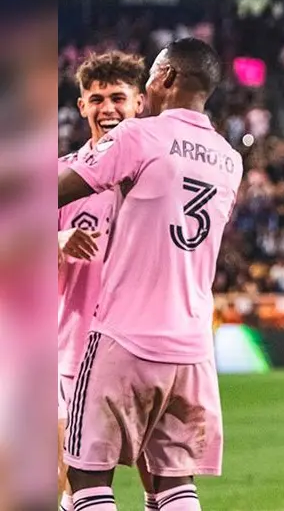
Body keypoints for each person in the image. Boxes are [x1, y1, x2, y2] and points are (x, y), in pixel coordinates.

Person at [57, 38, 243, 511]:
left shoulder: (139, 137)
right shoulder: (229, 158)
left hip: (125, 335)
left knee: (86, 478)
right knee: (173, 486)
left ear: (166, 79)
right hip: (193, 349)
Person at [57, 51, 160, 511]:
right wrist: (55, 237)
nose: (108, 108)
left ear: (139, 102)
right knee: (74, 484)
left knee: (160, 483)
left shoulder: (160, 174)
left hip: (142, 350)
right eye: (96, 98)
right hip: (74, 353)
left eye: (119, 97)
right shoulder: (58, 177)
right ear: (81, 107)